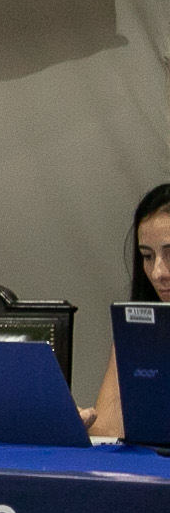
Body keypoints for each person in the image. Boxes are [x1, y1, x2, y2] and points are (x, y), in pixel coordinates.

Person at [85, 183, 170, 439]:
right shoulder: (137, 333)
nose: (158, 273)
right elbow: (106, 434)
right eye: (147, 256)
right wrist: (78, 426)